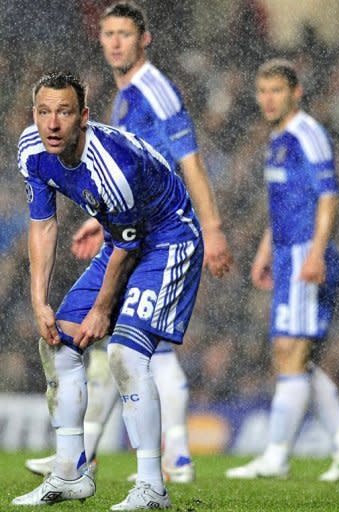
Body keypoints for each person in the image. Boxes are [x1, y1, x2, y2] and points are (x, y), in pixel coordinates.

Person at [25, 0, 233, 484]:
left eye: (125, 33)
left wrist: (215, 227)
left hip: (162, 232)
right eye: (108, 33)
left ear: (145, 40)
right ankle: (89, 454)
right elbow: (124, 174)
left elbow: (190, 160)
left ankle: (170, 455)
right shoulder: (123, 100)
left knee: (137, 350)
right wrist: (101, 221)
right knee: (117, 349)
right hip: (131, 225)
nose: (116, 42)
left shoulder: (155, 91)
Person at [13, 70, 204, 510]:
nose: (53, 123)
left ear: (83, 116)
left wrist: (102, 308)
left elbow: (129, 245)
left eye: (64, 112)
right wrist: (39, 300)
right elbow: (43, 224)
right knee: (57, 347)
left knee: (125, 354)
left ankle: (153, 486)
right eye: (44, 112)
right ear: (34, 114)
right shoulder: (31, 149)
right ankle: (68, 474)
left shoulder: (112, 164)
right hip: (122, 235)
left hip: (168, 237)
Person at [225, 59, 339, 482]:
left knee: (290, 353)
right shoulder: (278, 139)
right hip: (288, 253)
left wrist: (315, 253)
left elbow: (328, 196)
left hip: (308, 253)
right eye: (262, 90)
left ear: (296, 92)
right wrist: (264, 251)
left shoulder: (308, 134)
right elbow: (283, 207)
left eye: (276, 90)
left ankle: (276, 455)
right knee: (300, 359)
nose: (267, 98)